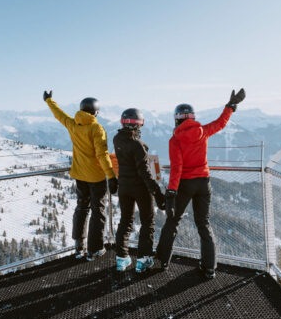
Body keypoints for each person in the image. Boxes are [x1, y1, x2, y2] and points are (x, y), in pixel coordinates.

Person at [156, 89, 246, 278]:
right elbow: (220, 123)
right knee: (203, 224)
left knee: (173, 221)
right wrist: (230, 107)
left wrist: (171, 192)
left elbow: (176, 168)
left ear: (177, 119)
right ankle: (210, 268)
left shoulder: (176, 140)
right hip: (204, 183)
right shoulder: (203, 131)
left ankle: (163, 261)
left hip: (185, 184)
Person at [43, 90, 118, 261]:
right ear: (95, 112)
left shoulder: (73, 124)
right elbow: (102, 154)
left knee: (82, 208)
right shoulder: (96, 128)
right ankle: (96, 249)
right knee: (98, 211)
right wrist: (111, 176)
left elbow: (59, 115)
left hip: (79, 176)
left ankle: (79, 247)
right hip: (96, 177)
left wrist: (49, 101)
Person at [113, 108, 165, 273]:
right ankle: (143, 260)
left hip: (124, 187)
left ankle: (122, 259)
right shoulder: (138, 145)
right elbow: (145, 172)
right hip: (140, 189)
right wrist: (157, 192)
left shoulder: (116, 139)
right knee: (147, 222)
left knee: (125, 221)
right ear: (139, 125)